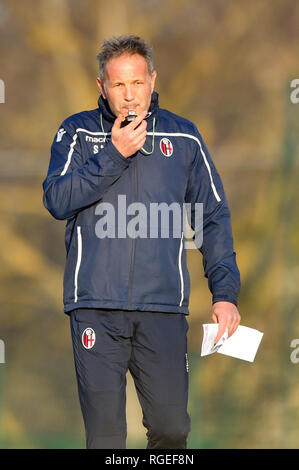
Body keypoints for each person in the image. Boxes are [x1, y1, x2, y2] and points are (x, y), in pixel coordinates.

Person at [42, 35, 241, 449]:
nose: (129, 96)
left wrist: (225, 294)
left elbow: (213, 216)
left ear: (153, 80)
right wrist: (112, 154)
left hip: (163, 310)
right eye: (118, 85)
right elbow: (56, 199)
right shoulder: (76, 131)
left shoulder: (184, 137)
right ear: (102, 87)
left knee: (172, 431)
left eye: (137, 83)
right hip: (95, 308)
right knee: (106, 439)